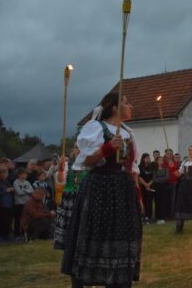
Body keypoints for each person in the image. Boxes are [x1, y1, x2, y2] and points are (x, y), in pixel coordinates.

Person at [61, 93, 143, 288]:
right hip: (101, 188)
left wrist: (138, 195)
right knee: (96, 233)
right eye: (126, 102)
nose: (130, 105)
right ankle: (85, 276)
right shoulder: (97, 128)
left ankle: (119, 279)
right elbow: (86, 161)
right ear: (114, 108)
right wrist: (107, 148)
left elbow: (132, 167)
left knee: (121, 237)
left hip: (123, 190)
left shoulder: (128, 133)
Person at [54, 146, 86, 249]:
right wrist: (61, 169)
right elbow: (61, 180)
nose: (79, 150)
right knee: (68, 222)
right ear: (73, 151)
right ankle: (67, 243)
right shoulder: (68, 165)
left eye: (81, 147)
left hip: (83, 197)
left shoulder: (89, 166)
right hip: (69, 198)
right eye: (76, 147)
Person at [0, 164, 14, 241]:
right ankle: (1, 235)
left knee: (8, 220)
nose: (6, 175)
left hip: (9, 203)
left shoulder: (7, 181)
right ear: (0, 173)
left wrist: (12, 190)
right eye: (5, 173)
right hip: (2, 204)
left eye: (7, 173)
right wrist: (6, 191)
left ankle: (7, 235)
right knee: (2, 220)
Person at [13, 168, 34, 238]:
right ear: (19, 175)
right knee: (18, 219)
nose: (26, 175)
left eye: (26, 174)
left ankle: (24, 233)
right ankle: (17, 234)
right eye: (24, 174)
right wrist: (27, 191)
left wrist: (24, 191)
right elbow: (19, 192)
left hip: (27, 203)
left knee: (26, 219)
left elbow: (32, 191)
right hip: (19, 203)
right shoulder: (16, 182)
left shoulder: (27, 182)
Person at [152, 156, 169, 225]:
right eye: (159, 160)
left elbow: (167, 177)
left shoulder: (165, 169)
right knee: (157, 201)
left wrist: (160, 179)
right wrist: (162, 179)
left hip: (164, 187)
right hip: (157, 187)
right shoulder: (155, 169)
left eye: (162, 160)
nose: (161, 161)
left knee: (163, 201)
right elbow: (154, 179)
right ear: (157, 161)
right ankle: (158, 217)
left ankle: (163, 217)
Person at [138, 153, 154, 224]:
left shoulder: (151, 167)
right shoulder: (140, 167)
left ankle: (149, 217)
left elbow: (154, 177)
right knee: (143, 202)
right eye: (146, 158)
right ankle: (143, 217)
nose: (148, 159)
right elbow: (139, 177)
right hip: (143, 187)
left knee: (149, 202)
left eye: (149, 158)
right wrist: (145, 184)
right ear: (143, 159)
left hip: (150, 187)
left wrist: (149, 184)